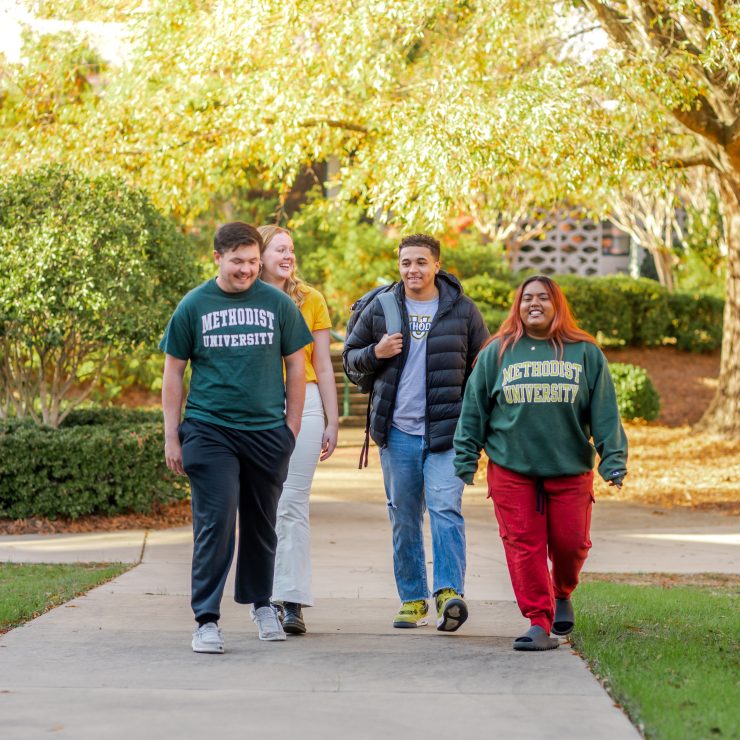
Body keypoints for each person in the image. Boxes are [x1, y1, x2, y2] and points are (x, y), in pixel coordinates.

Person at [160, 221, 314, 652]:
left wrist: (292, 427)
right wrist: (172, 436)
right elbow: (173, 371)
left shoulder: (278, 304)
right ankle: (206, 619)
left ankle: (262, 603)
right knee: (217, 522)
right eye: (237, 262)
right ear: (217, 258)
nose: (246, 270)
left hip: (267, 431)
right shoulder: (194, 305)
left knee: (263, 525)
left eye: (252, 261)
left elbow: (297, 366)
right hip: (209, 430)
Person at [453, 275, 628, 651]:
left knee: (571, 544)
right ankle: (538, 621)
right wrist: (466, 457)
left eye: (543, 298)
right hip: (511, 470)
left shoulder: (584, 352)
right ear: (517, 306)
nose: (535, 303)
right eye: (527, 298)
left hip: (569, 469)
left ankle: (562, 590)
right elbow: (474, 410)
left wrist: (612, 458)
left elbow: (605, 412)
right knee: (523, 546)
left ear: (557, 304)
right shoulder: (497, 352)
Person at [343, 233, 489, 631]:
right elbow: (350, 359)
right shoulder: (382, 306)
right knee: (404, 517)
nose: (413, 270)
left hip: (447, 433)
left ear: (437, 265)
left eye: (421, 262)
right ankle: (412, 599)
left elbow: (485, 369)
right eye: (406, 262)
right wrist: (376, 352)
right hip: (398, 432)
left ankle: (448, 593)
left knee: (445, 508)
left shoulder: (462, 310)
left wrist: (480, 429)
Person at [257, 225, 339, 635]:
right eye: (279, 249)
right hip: (258, 407)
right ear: (260, 255)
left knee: (292, 503)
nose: (288, 256)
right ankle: (263, 597)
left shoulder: (311, 300)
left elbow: (322, 363)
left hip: (304, 403)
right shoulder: (246, 299)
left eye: (291, 249)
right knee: (262, 505)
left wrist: (331, 417)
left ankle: (290, 601)